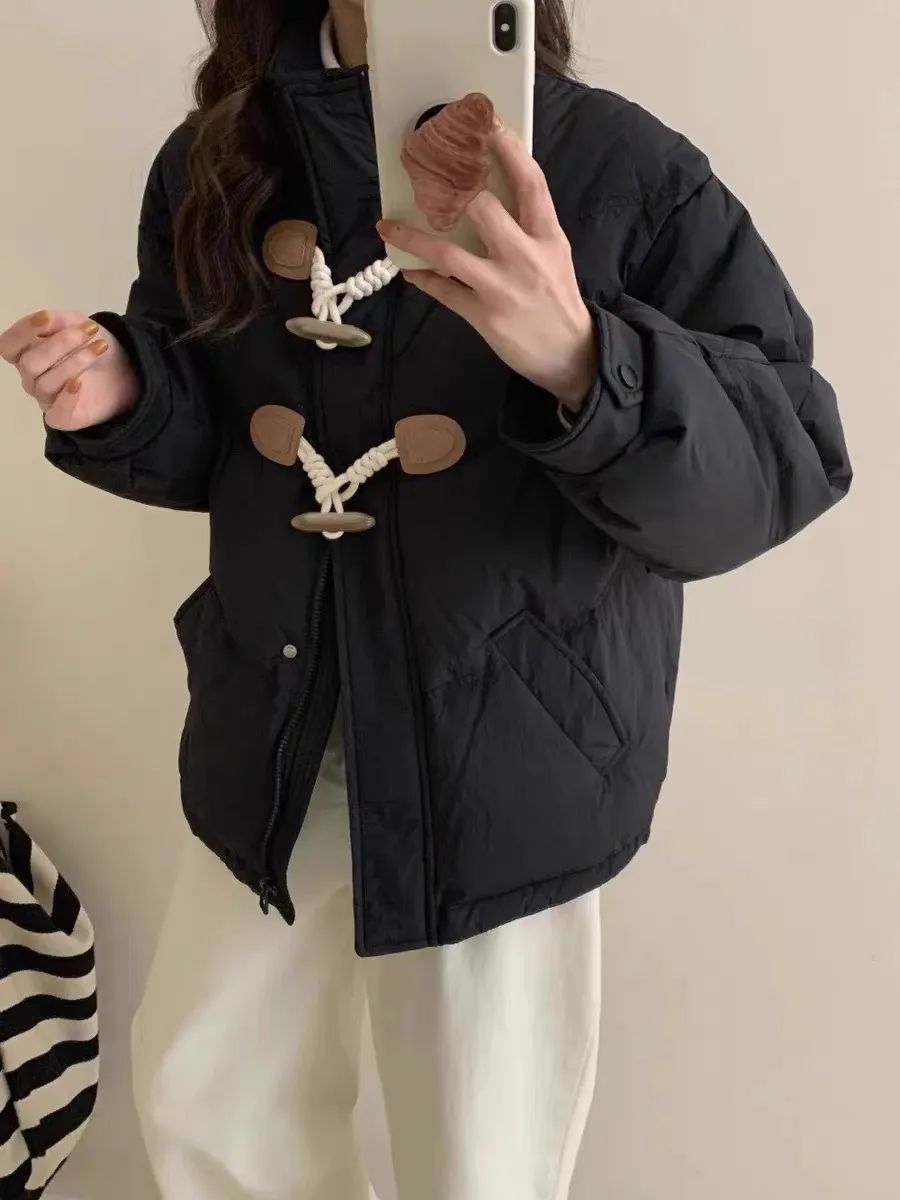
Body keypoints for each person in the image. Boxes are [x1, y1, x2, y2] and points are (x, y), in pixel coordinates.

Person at [0, 1, 851, 1197]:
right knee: (206, 1098)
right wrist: (125, 393)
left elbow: (784, 459)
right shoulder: (221, 159)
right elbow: (228, 428)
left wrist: (582, 358)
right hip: (278, 726)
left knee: (477, 1156)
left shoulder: (621, 166)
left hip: (506, 750)